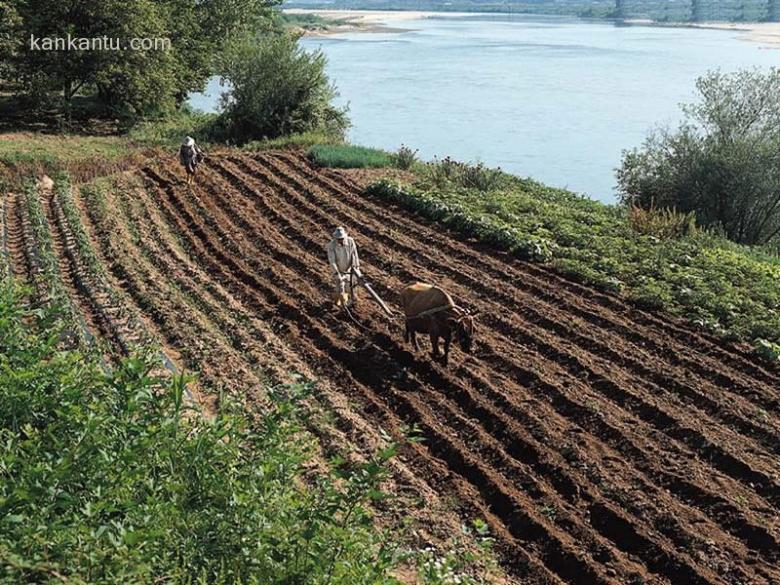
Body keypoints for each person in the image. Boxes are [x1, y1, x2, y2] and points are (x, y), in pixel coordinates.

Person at [326, 226, 361, 308]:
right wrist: (337, 274)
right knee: (340, 288)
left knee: (352, 287)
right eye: (338, 239)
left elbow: (354, 255)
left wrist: (355, 268)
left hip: (350, 269)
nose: (340, 240)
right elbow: (332, 261)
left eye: (342, 238)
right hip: (339, 270)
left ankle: (353, 302)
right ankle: (340, 304)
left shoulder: (350, 241)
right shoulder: (331, 246)